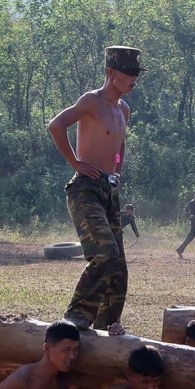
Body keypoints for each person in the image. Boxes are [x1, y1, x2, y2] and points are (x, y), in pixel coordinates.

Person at [48, 46, 145, 335]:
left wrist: (118, 170)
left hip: (108, 190)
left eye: (136, 74)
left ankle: (105, 328)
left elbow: (120, 143)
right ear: (110, 72)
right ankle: (75, 320)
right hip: (85, 188)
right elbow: (56, 125)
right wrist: (75, 162)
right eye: (128, 74)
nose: (133, 79)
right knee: (104, 252)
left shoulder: (123, 109)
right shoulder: (92, 101)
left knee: (118, 266)